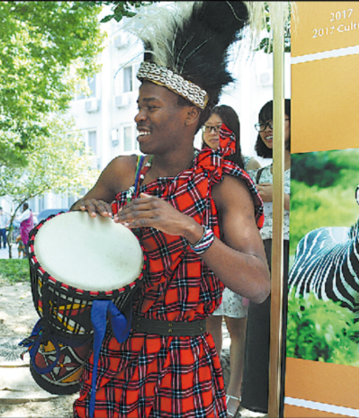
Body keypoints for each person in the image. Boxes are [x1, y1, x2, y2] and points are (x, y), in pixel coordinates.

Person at [70, 3, 270, 417]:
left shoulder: (224, 186)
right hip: (115, 355)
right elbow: (75, 244)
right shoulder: (124, 171)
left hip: (185, 361)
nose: (138, 116)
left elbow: (259, 285)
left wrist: (191, 230)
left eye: (152, 106)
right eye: (138, 105)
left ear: (190, 115)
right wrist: (85, 211)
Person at [201, 105, 257, 417]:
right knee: (210, 327)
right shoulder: (195, 165)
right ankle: (212, 388)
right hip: (205, 256)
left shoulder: (247, 166)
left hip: (235, 256)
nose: (212, 134)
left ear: (231, 131)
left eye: (219, 128)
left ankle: (234, 393)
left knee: (238, 329)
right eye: (207, 128)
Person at [240, 99, 291, 416]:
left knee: (289, 329)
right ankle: (263, 401)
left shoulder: (306, 166)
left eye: (275, 121)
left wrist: (280, 196)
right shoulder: (259, 172)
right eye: (263, 124)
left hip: (293, 252)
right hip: (261, 254)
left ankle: (291, 399)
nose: (268, 129)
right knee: (259, 329)